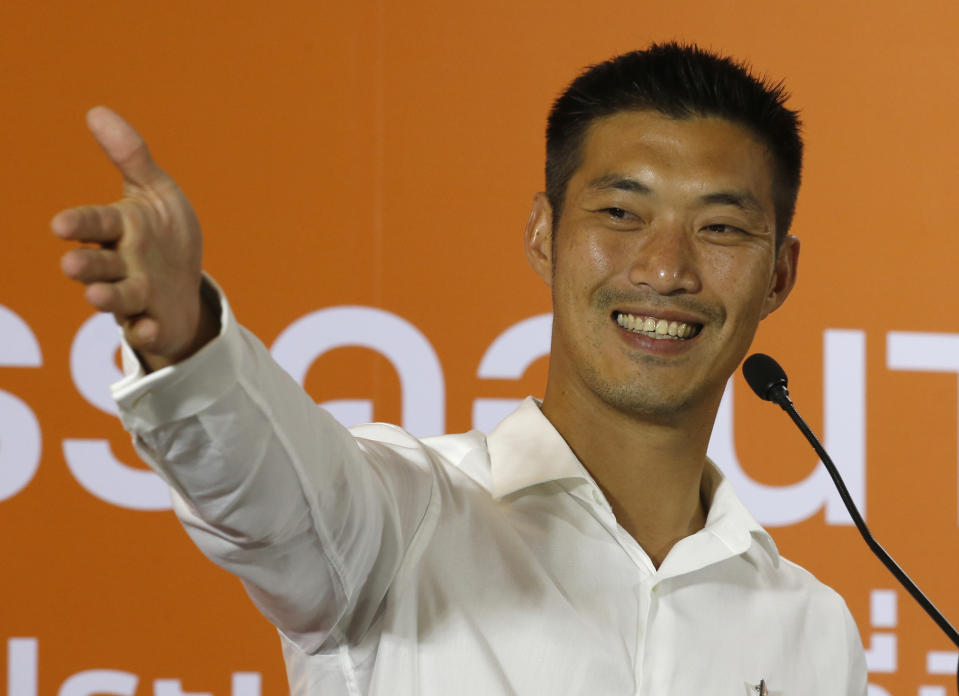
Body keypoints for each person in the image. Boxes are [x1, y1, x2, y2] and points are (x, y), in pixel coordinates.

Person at [53, 43, 867, 695]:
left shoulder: (813, 628)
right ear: (543, 236)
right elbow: (263, 486)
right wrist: (187, 336)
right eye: (620, 213)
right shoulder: (400, 515)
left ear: (779, 275)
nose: (664, 270)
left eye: (720, 228)